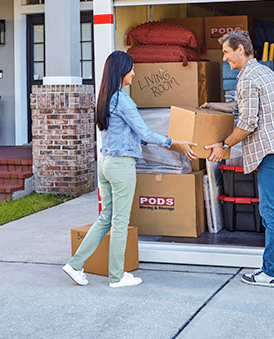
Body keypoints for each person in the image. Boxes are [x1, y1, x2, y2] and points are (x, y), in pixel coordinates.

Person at [63, 51, 197, 288]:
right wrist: (175, 144)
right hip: (121, 166)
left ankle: (75, 265)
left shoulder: (105, 97)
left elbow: (133, 134)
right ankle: (116, 276)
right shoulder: (123, 100)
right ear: (121, 71)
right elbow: (144, 132)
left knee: (106, 218)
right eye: (132, 68)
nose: (134, 73)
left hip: (105, 164)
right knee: (120, 221)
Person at [203, 30, 274, 288]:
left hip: (272, 151)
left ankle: (271, 272)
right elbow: (242, 107)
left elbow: (248, 123)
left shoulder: (248, 79)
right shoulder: (265, 72)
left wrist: (224, 145)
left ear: (241, 49)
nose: (225, 58)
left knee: (270, 212)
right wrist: (212, 106)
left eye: (227, 52)